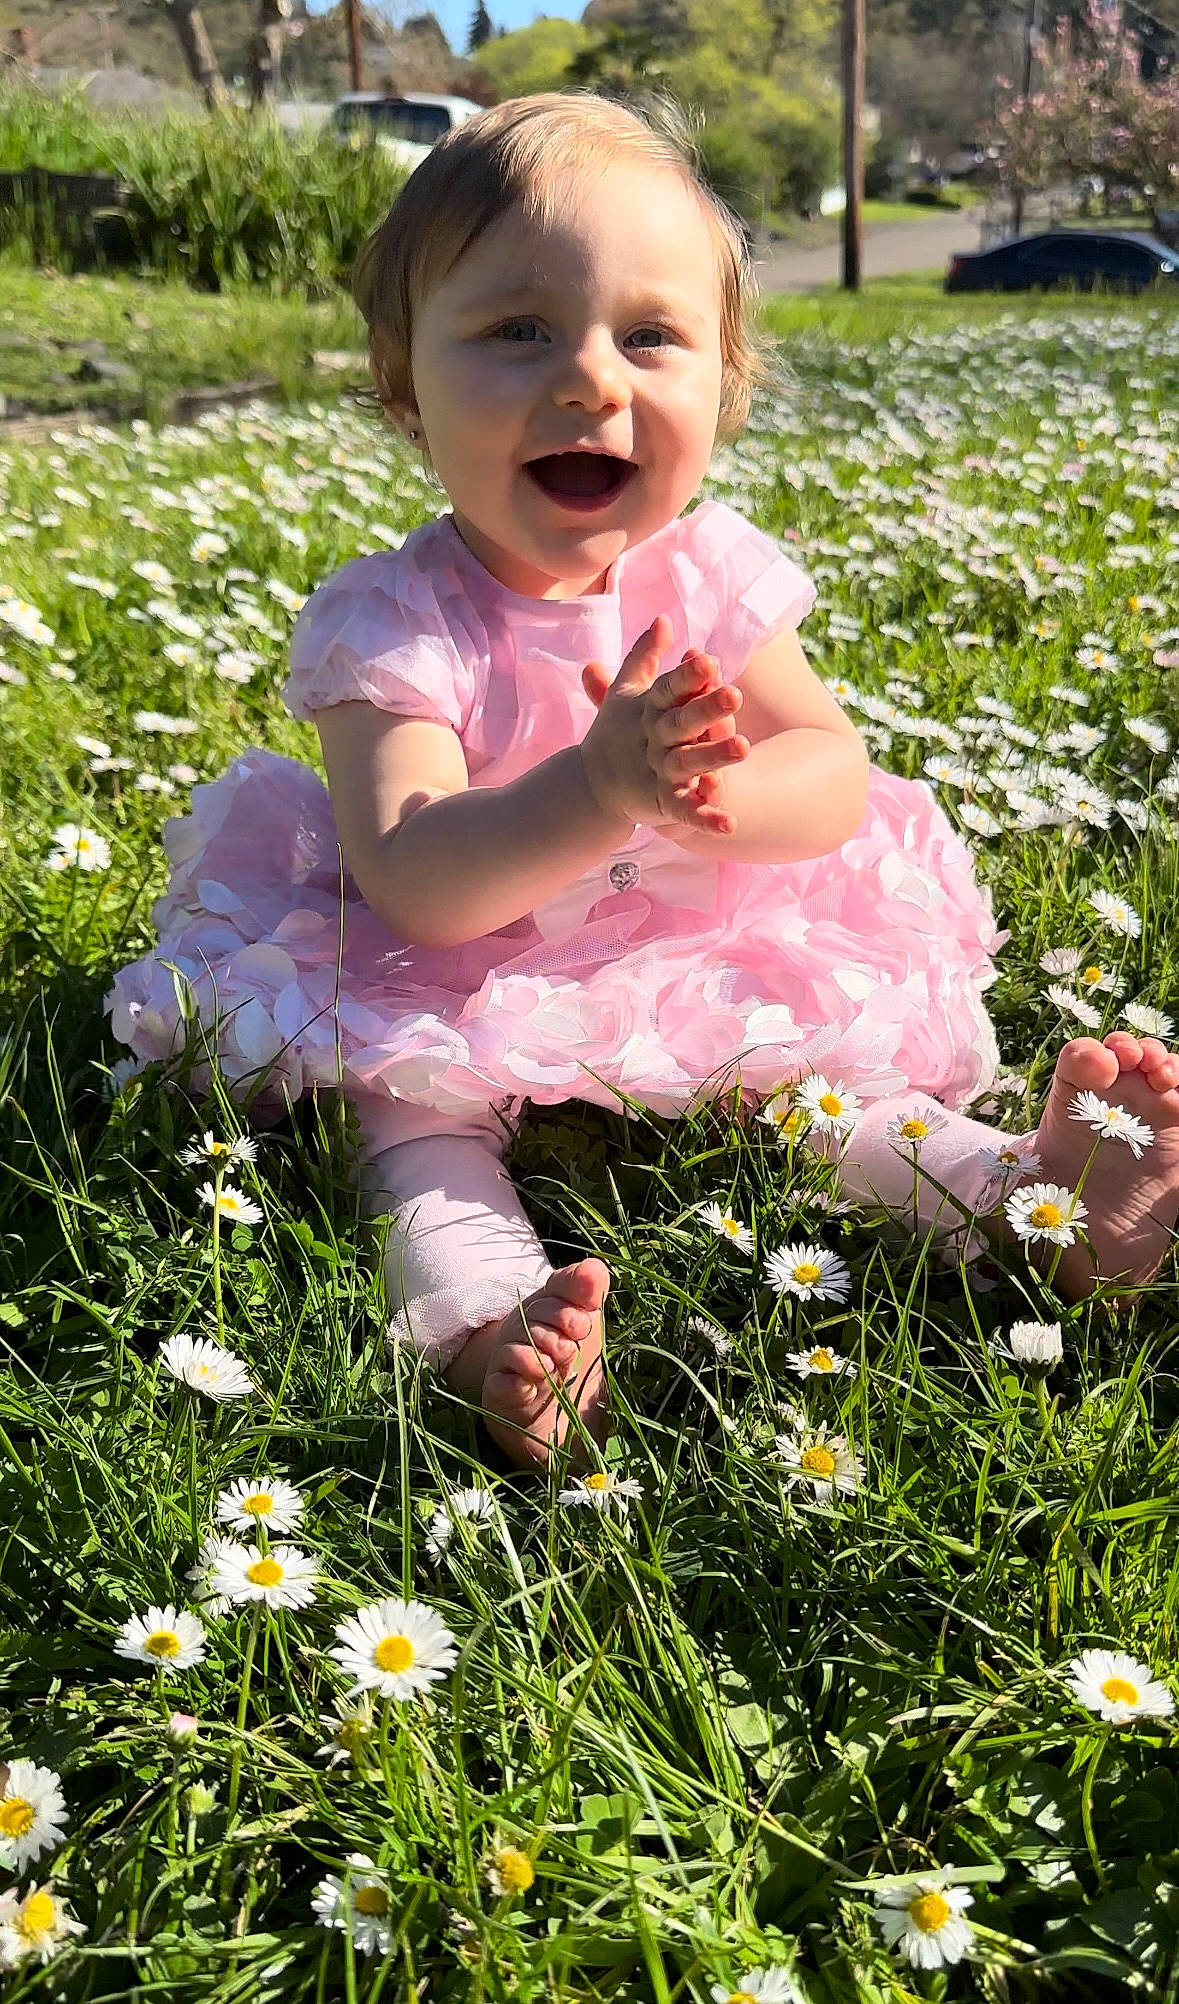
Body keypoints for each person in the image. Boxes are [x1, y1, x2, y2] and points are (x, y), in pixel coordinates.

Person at [107, 91, 1179, 1470]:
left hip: (693, 937)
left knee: (819, 1087)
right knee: (409, 1118)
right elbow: (416, 878)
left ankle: (1029, 1199)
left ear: (723, 387)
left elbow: (831, 770)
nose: (592, 381)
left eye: (652, 337)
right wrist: (598, 790)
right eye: (518, 331)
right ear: (400, 381)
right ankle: (487, 1324)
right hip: (459, 964)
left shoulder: (710, 575)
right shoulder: (396, 622)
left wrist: (720, 803)